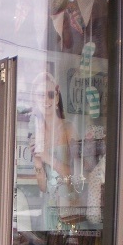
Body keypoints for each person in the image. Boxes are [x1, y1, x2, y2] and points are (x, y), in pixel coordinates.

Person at [29, 71, 81, 230]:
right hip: (49, 207)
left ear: (57, 98)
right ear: (35, 100)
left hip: (69, 206)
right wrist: (38, 163)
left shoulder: (68, 128)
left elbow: (77, 175)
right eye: (41, 95)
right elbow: (43, 187)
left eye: (51, 95)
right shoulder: (38, 133)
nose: (46, 100)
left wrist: (47, 158)